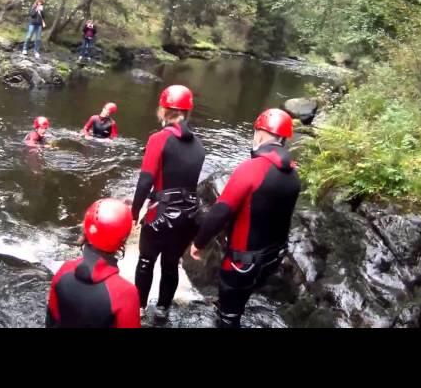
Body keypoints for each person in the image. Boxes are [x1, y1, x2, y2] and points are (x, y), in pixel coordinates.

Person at [190, 108, 301, 328]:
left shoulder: (251, 169)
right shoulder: (293, 173)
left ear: (259, 133)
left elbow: (220, 212)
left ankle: (229, 315)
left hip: (242, 263)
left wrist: (198, 243)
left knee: (229, 316)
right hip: (272, 257)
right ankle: (232, 309)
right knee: (239, 299)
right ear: (284, 139)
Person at [131, 85, 205, 320]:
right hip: (189, 216)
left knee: (146, 261)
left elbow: (145, 182)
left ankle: (140, 308)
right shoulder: (200, 146)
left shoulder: (158, 139)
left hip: (160, 214)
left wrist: (134, 212)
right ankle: (162, 310)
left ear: (164, 109)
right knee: (171, 264)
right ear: (187, 112)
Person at [46, 198, 140, 328]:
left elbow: (51, 321)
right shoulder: (126, 293)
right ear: (123, 241)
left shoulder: (63, 271)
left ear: (86, 230)